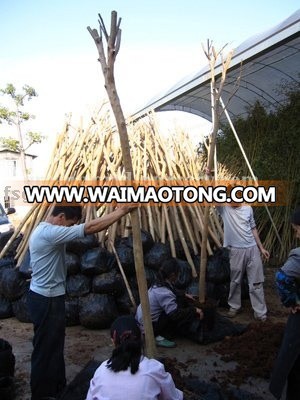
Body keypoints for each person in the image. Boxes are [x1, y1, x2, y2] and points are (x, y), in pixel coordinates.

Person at [27, 204, 133, 400]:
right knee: (44, 349)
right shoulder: (49, 232)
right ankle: (41, 394)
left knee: (55, 345)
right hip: (46, 299)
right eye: (69, 225)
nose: (68, 229)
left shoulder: (47, 230)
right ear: (60, 217)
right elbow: (90, 228)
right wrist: (121, 212)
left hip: (50, 297)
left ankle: (57, 388)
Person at [86, 315, 183, 400]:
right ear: (141, 336)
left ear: (113, 341)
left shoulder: (101, 371)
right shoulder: (154, 369)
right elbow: (175, 398)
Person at [217, 203, 270, 321]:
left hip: (252, 249)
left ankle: (260, 312)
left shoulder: (248, 208)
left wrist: (261, 248)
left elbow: (253, 228)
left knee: (256, 281)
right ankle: (234, 306)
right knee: (235, 280)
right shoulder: (224, 208)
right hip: (236, 250)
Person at [136, 259, 206, 347]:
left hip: (142, 319)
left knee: (178, 300)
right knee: (177, 314)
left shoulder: (159, 282)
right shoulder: (164, 292)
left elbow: (172, 290)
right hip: (149, 327)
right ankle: (157, 336)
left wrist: (184, 295)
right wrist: (194, 310)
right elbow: (175, 314)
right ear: (172, 275)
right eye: (177, 274)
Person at [269, 207, 300, 400]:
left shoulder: (298, 255)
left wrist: (293, 301)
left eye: (297, 229)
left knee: (295, 363)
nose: (296, 235)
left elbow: (282, 278)